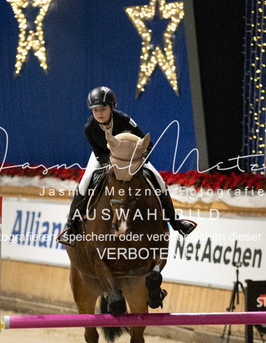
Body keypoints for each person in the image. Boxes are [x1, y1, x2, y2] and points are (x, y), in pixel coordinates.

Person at [57, 86, 197, 246]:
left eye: (103, 109)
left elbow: (146, 143)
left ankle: (176, 222)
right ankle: (70, 227)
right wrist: (115, 161)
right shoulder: (89, 128)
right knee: (85, 181)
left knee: (158, 179)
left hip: (131, 158)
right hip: (104, 157)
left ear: (112, 107)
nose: (99, 113)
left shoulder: (124, 120)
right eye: (95, 110)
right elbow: (99, 154)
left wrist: (140, 157)